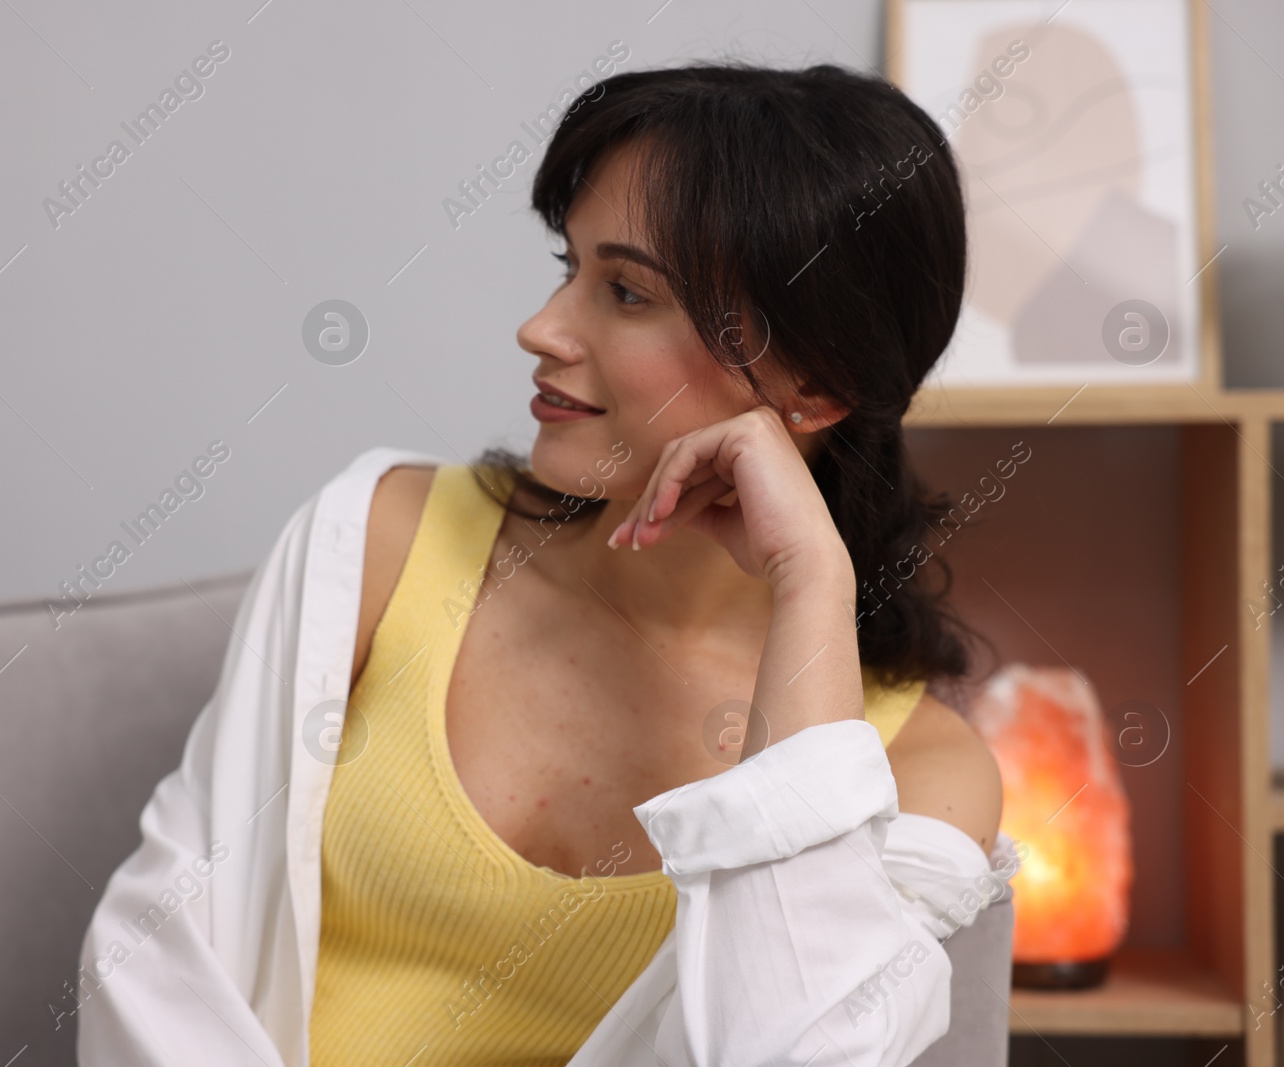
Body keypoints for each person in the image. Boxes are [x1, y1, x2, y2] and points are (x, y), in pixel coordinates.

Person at [76, 60, 1006, 1067]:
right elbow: (155, 963)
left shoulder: (918, 767)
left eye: (625, 290)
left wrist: (810, 583)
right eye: (566, 269)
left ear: (818, 382)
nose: (542, 329)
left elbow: (796, 1051)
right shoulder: (377, 539)